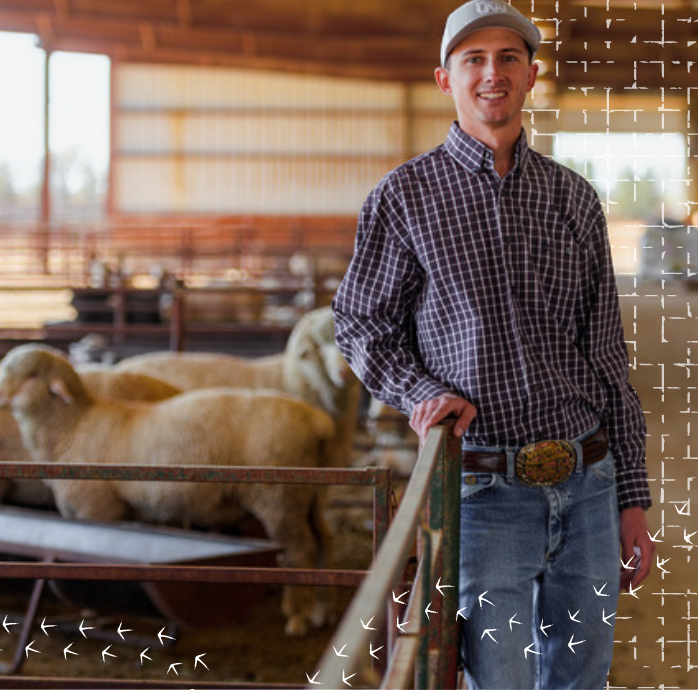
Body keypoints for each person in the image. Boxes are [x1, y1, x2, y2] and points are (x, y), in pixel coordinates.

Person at [332, 1, 655, 688]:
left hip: (588, 482)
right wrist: (422, 393)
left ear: (531, 75)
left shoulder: (574, 199)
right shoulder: (405, 197)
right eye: (473, 59)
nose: (492, 73)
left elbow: (606, 358)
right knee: (496, 680)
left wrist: (632, 496)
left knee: (582, 677)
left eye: (508, 57)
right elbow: (361, 323)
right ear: (445, 79)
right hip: (483, 489)